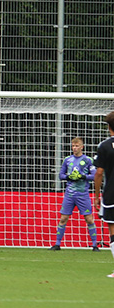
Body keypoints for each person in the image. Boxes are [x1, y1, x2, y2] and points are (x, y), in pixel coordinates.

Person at [50, 136, 98, 251]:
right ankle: (57, 244)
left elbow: (95, 176)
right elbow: (61, 175)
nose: (74, 148)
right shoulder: (67, 160)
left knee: (89, 219)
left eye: (77, 146)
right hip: (70, 194)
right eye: (73, 146)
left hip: (83, 194)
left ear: (82, 147)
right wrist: (69, 177)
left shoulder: (88, 160)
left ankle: (95, 245)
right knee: (63, 218)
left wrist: (82, 176)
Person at [94, 112, 114, 277]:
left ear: (109, 127)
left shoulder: (104, 146)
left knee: (113, 229)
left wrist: (96, 195)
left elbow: (99, 173)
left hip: (111, 194)